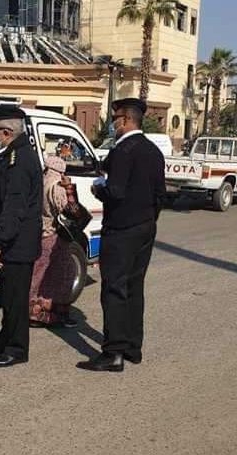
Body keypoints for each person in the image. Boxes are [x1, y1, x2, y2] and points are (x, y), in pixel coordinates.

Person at [77, 98, 165, 373]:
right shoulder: (153, 151)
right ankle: (132, 348)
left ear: (125, 120)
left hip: (121, 230)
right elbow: (160, 194)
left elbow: (115, 191)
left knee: (114, 289)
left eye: (115, 120)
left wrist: (97, 189)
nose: (112, 125)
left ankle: (113, 352)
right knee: (135, 288)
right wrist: (148, 219)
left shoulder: (123, 151)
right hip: (145, 227)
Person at [0, 104, 43, 368]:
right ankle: (5, 339)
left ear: (7, 132)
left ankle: (17, 349)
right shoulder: (10, 155)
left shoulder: (19, 159)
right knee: (8, 296)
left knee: (16, 298)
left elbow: (14, 206)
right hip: (12, 241)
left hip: (16, 243)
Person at [28, 154, 79, 328]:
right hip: (56, 236)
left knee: (39, 275)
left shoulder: (40, 183)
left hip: (41, 234)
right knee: (62, 275)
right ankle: (54, 314)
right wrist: (70, 189)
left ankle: (33, 312)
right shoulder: (56, 188)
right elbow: (70, 211)